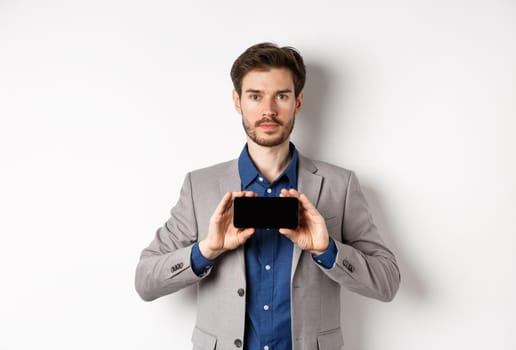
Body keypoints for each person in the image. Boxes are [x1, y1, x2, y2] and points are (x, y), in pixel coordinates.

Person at [135, 42, 400, 350]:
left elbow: (387, 282)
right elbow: (145, 281)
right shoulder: (200, 187)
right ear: (237, 101)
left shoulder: (339, 185)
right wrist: (206, 250)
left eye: (282, 96)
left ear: (298, 102)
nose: (268, 110)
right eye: (255, 96)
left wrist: (327, 249)